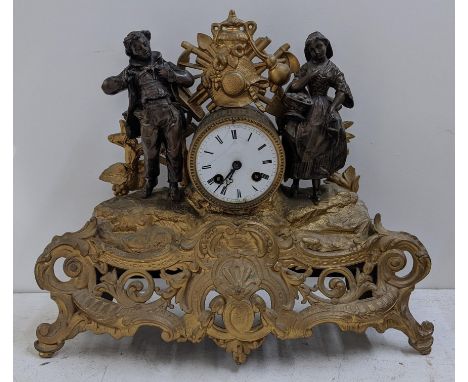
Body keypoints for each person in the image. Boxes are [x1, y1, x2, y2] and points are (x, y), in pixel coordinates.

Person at [102, 30, 194, 201]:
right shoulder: (131, 72)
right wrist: (115, 82)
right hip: (148, 115)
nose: (144, 49)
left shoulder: (163, 64)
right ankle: (149, 183)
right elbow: (108, 87)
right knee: (149, 153)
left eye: (145, 43)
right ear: (131, 52)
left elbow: (189, 79)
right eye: (138, 48)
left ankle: (174, 186)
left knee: (174, 151)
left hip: (169, 112)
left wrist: (172, 75)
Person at [281, 31, 354, 202]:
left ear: (326, 45)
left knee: (319, 146)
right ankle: (295, 184)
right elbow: (295, 85)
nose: (317, 52)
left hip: (323, 108)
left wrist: (333, 109)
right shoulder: (307, 67)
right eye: (312, 49)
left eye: (319, 46)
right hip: (305, 106)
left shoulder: (332, 68)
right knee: (296, 138)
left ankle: (315, 190)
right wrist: (310, 75)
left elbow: (342, 90)